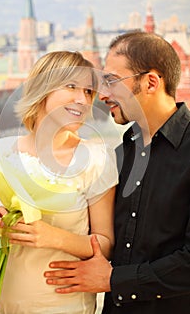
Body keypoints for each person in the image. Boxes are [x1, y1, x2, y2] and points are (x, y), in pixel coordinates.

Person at [44, 31, 190, 314]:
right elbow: (96, 235)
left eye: (111, 81)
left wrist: (113, 279)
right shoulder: (122, 152)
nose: (103, 94)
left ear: (150, 82)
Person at [0, 51, 118, 314]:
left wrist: (53, 237)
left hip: (61, 307)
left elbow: (105, 243)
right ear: (43, 89)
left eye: (88, 91)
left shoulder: (96, 157)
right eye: (71, 86)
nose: (82, 99)